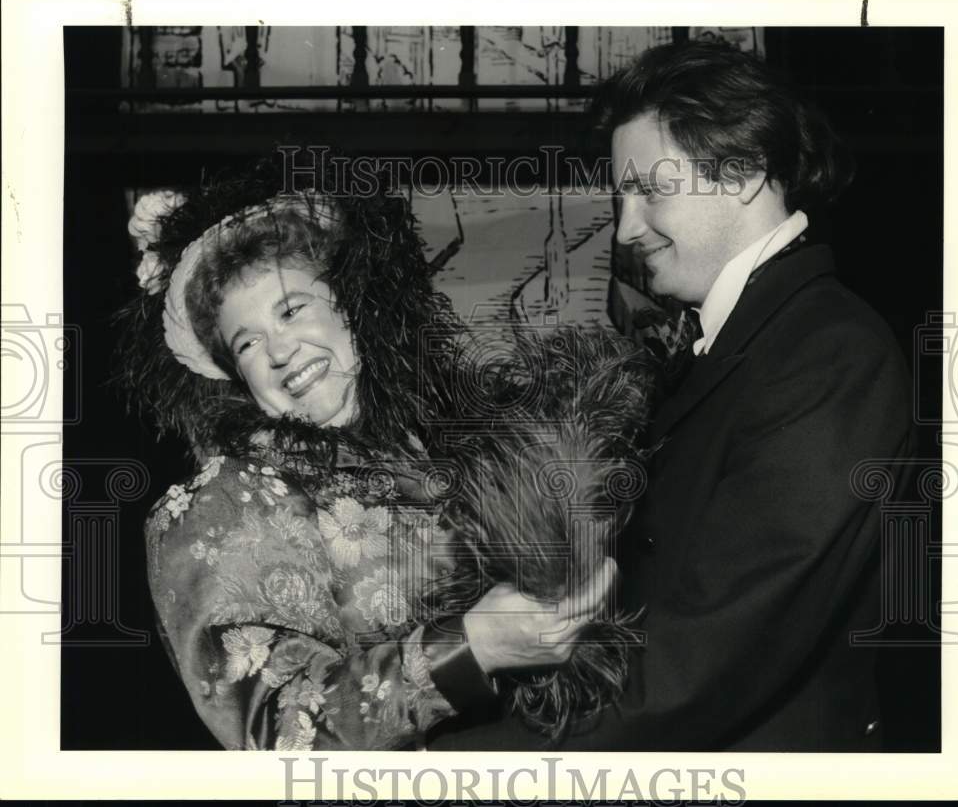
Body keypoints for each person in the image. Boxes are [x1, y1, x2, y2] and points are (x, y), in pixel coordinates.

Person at [426, 42, 915, 751]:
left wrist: (460, 763)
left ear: (744, 171)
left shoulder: (831, 355)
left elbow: (706, 663)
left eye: (650, 191)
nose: (625, 229)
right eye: (622, 197)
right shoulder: (745, 339)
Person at [119, 162, 653, 750]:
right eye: (246, 343)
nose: (278, 350)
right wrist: (471, 648)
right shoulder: (223, 504)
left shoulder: (458, 437)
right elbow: (275, 734)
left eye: (292, 309)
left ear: (350, 309)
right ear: (234, 376)